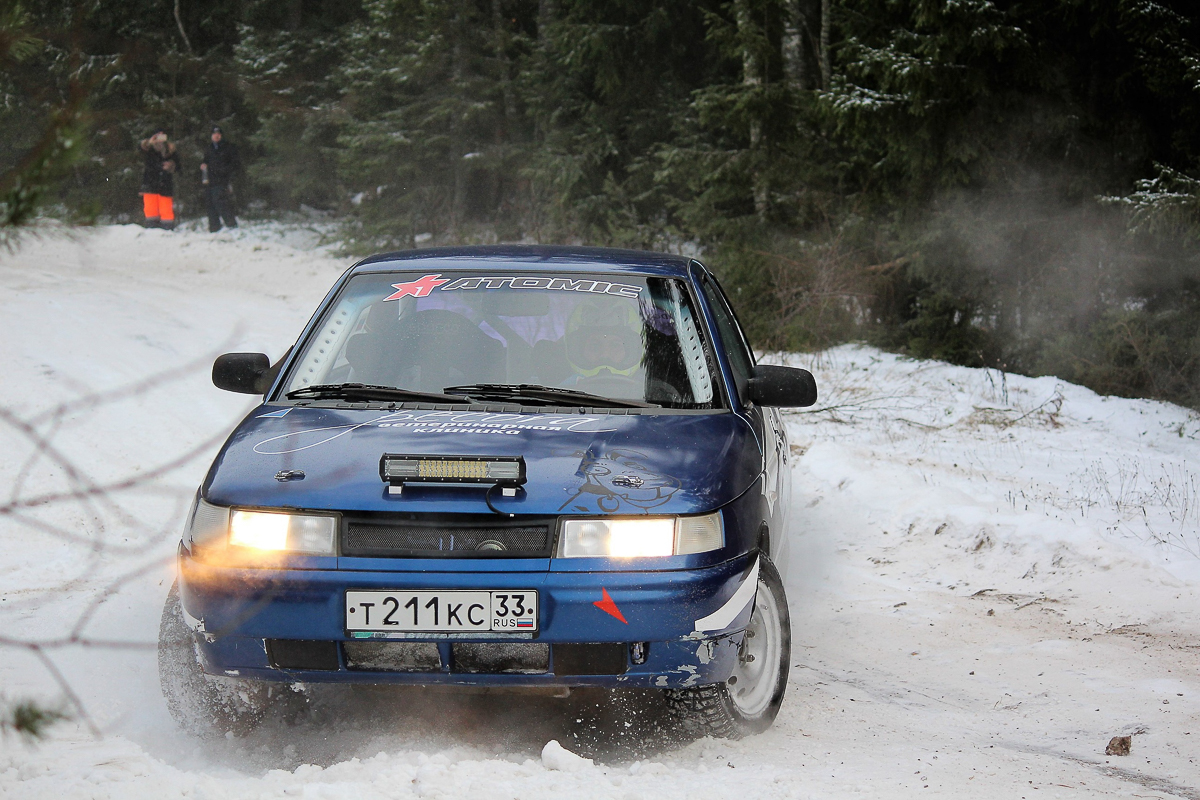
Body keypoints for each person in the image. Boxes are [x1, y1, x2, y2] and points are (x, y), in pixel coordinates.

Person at [200, 125, 240, 232]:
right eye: (214, 134)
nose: (216, 136)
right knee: (210, 203)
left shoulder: (228, 147)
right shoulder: (209, 148)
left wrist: (224, 172)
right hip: (209, 179)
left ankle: (231, 225)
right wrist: (204, 165)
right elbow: (205, 161)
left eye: (218, 134)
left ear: (221, 136)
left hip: (222, 179)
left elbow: (234, 164)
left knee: (221, 202)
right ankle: (214, 227)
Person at [139, 129, 180, 229]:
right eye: (157, 136)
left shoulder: (170, 150)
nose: (160, 139)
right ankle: (152, 231)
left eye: (162, 135)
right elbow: (140, 149)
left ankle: (168, 231)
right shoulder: (148, 149)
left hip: (165, 185)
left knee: (166, 211)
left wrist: (171, 165)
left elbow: (178, 166)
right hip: (150, 184)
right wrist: (149, 142)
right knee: (151, 211)